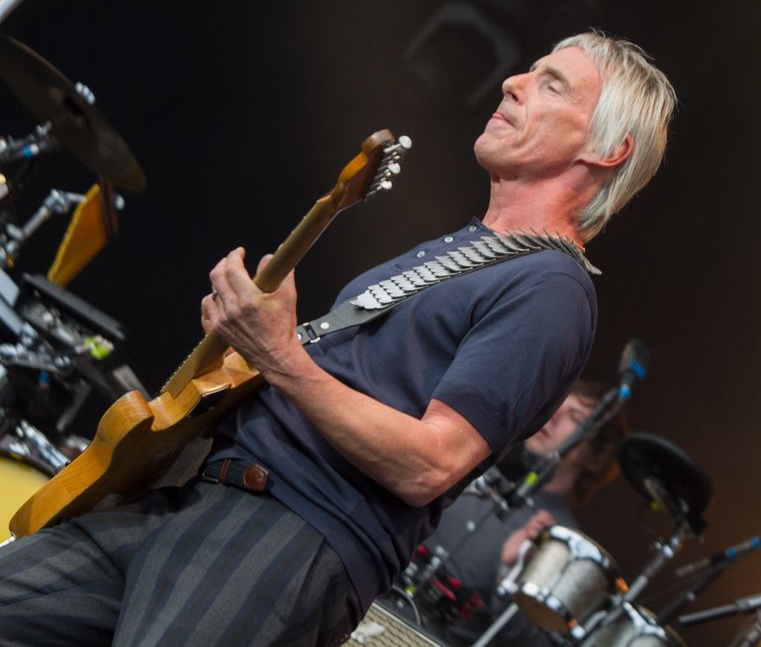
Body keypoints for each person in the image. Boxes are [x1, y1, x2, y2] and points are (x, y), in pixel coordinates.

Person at [0, 31, 676, 646]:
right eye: (528, 70)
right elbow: (332, 375)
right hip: (188, 495)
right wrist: (250, 349)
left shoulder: (552, 290)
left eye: (551, 83)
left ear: (604, 149)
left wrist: (283, 356)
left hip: (279, 539)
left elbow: (431, 464)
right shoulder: (472, 250)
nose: (513, 83)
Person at [416, 380, 627, 647]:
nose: (553, 416)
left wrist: (510, 573)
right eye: (557, 404)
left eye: (575, 417)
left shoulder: (563, 543)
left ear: (594, 458)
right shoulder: (478, 462)